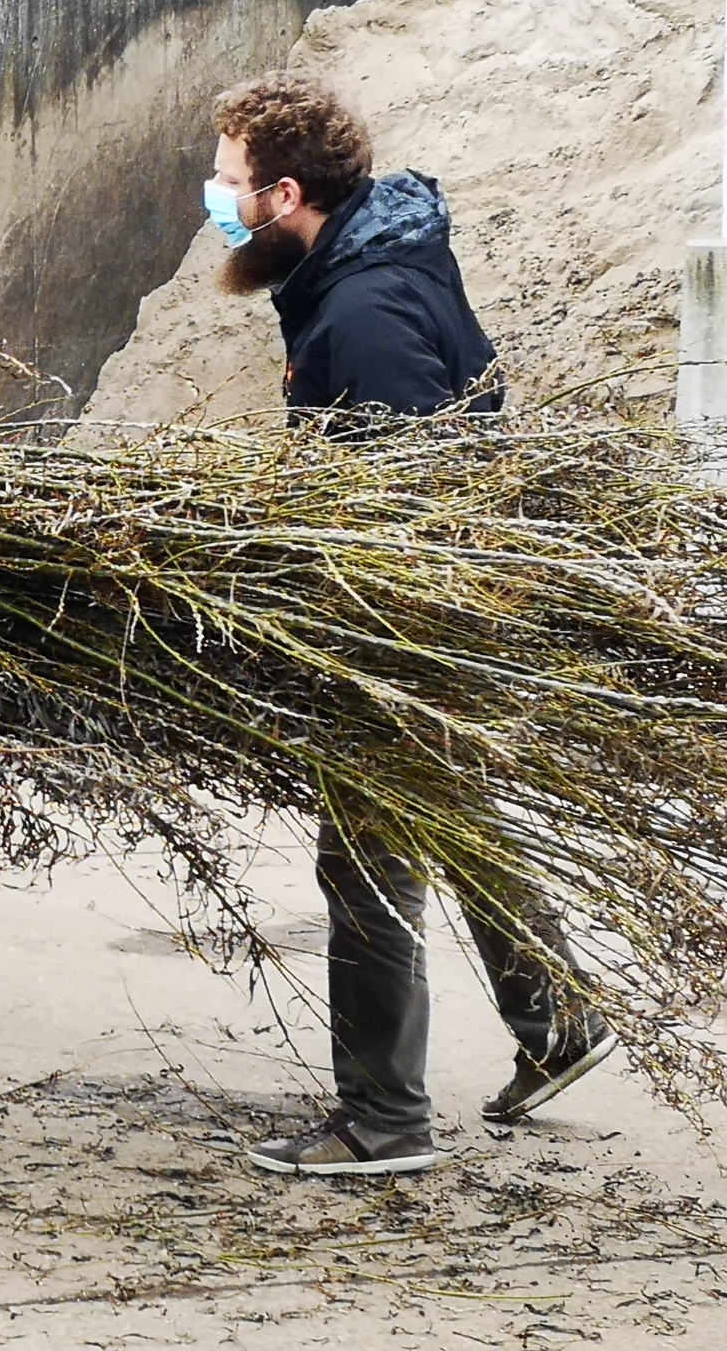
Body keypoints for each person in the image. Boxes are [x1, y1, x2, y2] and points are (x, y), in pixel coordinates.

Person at [200, 73, 616, 1177]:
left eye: (231, 182)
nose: (218, 199)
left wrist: (338, 627)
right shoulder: (366, 272)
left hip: (398, 628)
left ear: (284, 192)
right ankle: (558, 1020)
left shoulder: (364, 305)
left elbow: (406, 500)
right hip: (437, 621)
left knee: (369, 863)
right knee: (450, 813)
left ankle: (380, 1118)